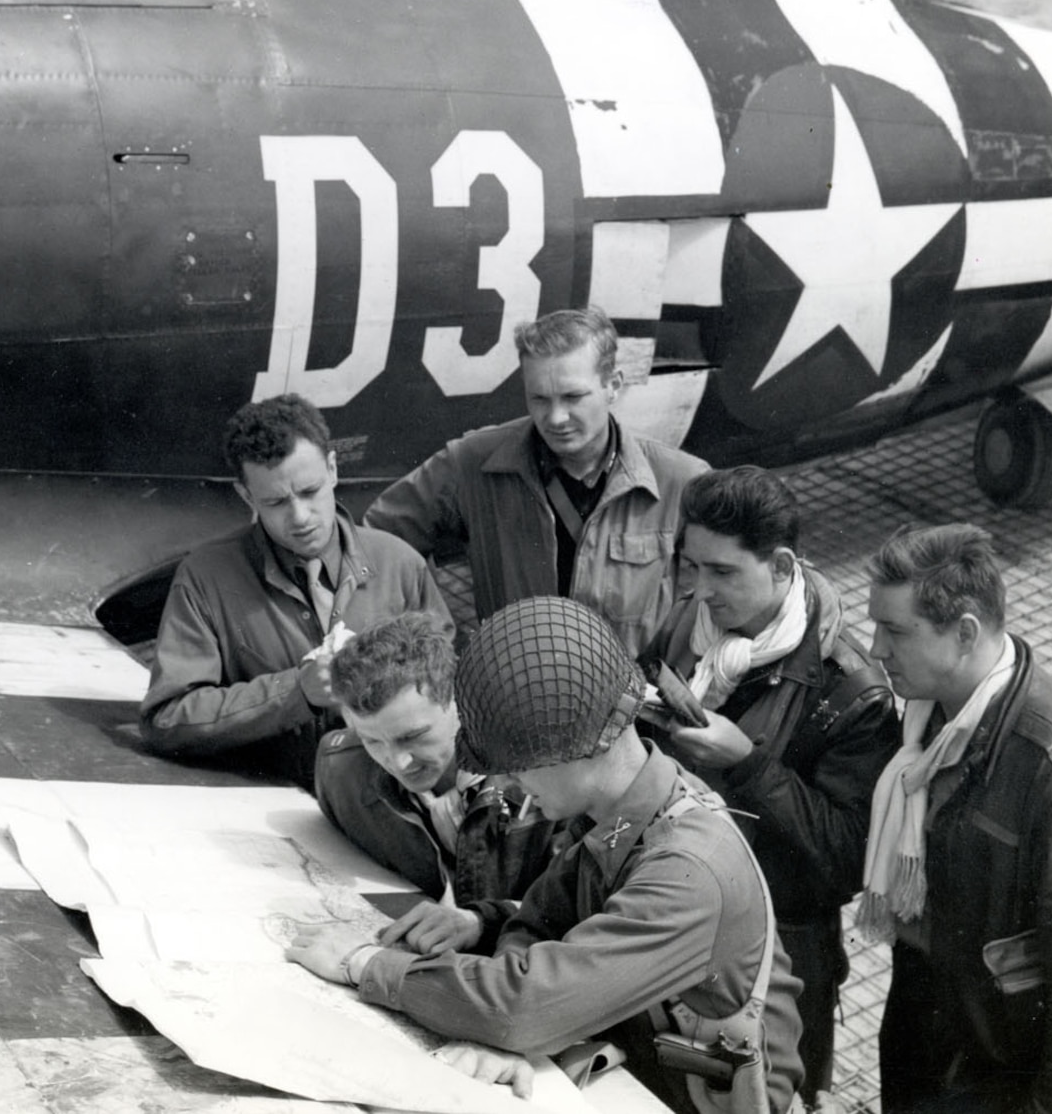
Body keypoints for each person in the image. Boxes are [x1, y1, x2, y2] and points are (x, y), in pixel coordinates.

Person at [287, 598, 803, 1114]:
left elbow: (527, 1006)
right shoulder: (621, 814)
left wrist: (366, 964)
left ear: (576, 747)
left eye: (516, 764)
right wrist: (497, 992)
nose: (508, 781)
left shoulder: (687, 870)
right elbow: (540, 924)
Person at [860, 525, 1052, 1113]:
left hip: (999, 1079)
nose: (874, 650)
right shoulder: (928, 718)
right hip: (931, 1039)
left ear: (965, 633)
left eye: (894, 631)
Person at [639, 467, 898, 1113]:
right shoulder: (688, 625)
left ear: (782, 567)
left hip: (780, 958)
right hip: (679, 919)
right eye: (692, 567)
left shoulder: (852, 691)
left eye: (724, 573)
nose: (701, 590)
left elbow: (845, 860)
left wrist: (747, 763)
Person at [140, 394, 450, 788]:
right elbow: (167, 718)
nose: (300, 517)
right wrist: (295, 693)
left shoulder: (401, 565)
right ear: (246, 496)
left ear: (334, 469)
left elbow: (452, 692)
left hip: (392, 801)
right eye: (275, 502)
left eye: (309, 491)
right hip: (275, 811)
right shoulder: (206, 578)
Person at [364, 306, 707, 655]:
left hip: (634, 701)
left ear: (613, 386)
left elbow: (719, 594)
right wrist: (434, 642)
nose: (556, 418)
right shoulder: (472, 463)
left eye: (573, 397)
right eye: (539, 398)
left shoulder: (680, 481)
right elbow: (373, 542)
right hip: (512, 697)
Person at [314, 612, 560, 945]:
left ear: (463, 702)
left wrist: (479, 922)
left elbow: (589, 913)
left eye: (412, 736)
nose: (397, 762)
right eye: (372, 741)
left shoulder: (552, 777)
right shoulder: (340, 772)